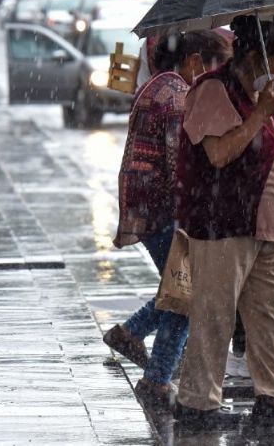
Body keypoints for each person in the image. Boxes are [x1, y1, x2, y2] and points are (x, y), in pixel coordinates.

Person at [173, 13, 274, 429]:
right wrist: (260, 114)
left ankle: (273, 397)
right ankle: (198, 402)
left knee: (268, 317)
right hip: (224, 223)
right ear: (257, 57)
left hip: (268, 227)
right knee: (215, 315)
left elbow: (263, 146)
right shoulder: (214, 91)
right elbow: (219, 154)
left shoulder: (262, 95)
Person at [105, 30, 231, 411]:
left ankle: (131, 334)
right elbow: (181, 162)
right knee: (186, 293)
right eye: (211, 67)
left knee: (179, 288)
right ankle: (156, 377)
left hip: (148, 205)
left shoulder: (157, 84)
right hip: (163, 209)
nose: (212, 76)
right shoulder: (176, 95)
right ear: (194, 61)